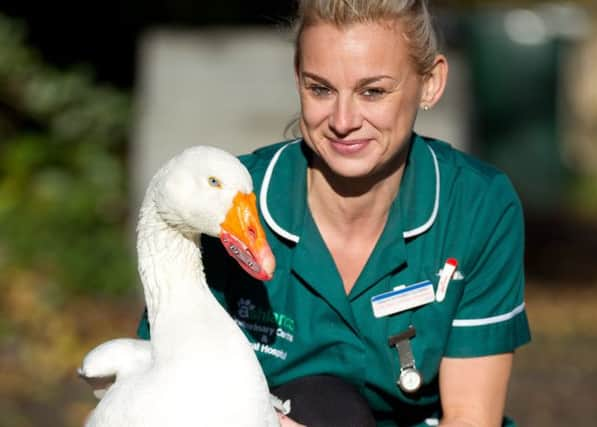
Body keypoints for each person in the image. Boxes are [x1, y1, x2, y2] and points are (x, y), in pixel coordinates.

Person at [138, 1, 531, 425]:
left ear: (431, 83)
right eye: (321, 89)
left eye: (373, 91)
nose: (343, 121)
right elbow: (160, 396)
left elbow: (472, 418)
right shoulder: (222, 203)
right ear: (297, 79)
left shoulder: (477, 204)